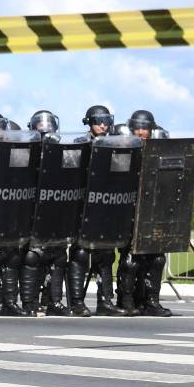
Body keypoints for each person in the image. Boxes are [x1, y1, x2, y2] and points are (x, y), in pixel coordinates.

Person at [65, 105, 126, 316]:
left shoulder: (114, 146)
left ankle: (105, 302)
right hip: (81, 208)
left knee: (106, 255)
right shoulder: (79, 145)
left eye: (106, 120)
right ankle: (76, 303)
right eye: (98, 120)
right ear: (89, 122)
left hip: (105, 207)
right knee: (80, 254)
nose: (103, 124)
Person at [117, 109, 172, 317]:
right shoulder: (124, 149)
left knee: (157, 259)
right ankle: (127, 300)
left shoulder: (160, 151)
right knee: (131, 259)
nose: (141, 131)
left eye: (145, 128)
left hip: (152, 211)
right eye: (138, 128)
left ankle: (150, 301)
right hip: (128, 210)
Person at [21, 110, 69, 316]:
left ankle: (53, 302)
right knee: (32, 256)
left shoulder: (63, 153)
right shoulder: (26, 152)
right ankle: (29, 303)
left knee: (58, 256)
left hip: (54, 211)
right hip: (30, 213)